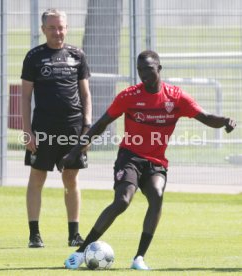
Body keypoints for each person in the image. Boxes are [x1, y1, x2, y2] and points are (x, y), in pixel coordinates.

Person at [59, 50, 236, 269]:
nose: (144, 74)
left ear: (159, 69)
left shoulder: (176, 97)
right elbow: (101, 124)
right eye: (140, 69)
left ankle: (139, 258)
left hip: (156, 162)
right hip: (130, 157)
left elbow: (206, 117)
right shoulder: (129, 96)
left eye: (149, 69)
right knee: (123, 200)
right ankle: (80, 252)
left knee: (157, 194)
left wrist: (226, 121)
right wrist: (76, 151)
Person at [21, 9, 92, 248]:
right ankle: (34, 234)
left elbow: (85, 94)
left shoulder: (77, 55)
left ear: (67, 28)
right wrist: (27, 130)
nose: (58, 32)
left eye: (61, 27)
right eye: (52, 28)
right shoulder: (34, 57)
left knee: (71, 178)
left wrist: (87, 128)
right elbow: (25, 97)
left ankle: (74, 234)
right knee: (37, 176)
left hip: (73, 128)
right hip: (43, 128)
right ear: (43, 30)